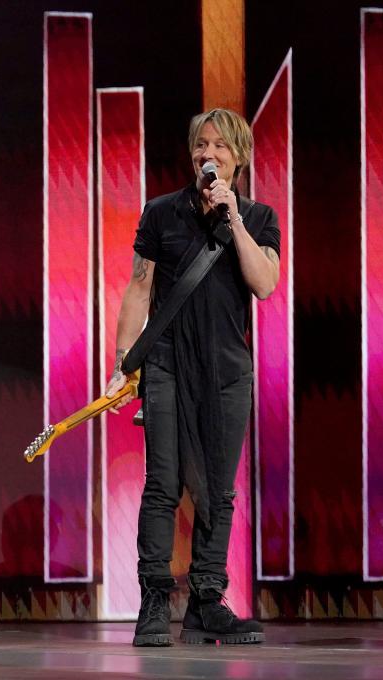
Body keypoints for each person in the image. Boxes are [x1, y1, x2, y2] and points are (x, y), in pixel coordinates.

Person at [105, 108, 281, 647]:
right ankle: (154, 602)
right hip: (166, 367)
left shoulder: (258, 216)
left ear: (239, 157)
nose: (208, 154)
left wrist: (232, 220)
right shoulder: (161, 213)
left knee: (218, 493)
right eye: (201, 144)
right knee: (163, 484)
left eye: (220, 147)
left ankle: (207, 603)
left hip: (227, 372)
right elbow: (139, 287)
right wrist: (121, 363)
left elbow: (265, 283)